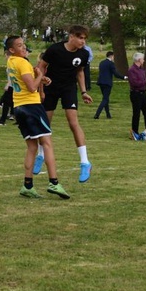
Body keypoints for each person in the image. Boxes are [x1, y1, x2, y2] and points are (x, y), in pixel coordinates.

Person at [6, 36, 70, 199]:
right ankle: (54, 183)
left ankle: (27, 185)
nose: (23, 47)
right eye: (19, 45)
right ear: (12, 50)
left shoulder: (12, 62)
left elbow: (27, 81)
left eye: (24, 44)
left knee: (32, 147)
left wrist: (41, 78)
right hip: (31, 107)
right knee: (47, 144)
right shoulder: (23, 63)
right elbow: (32, 87)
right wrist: (40, 74)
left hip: (19, 107)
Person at [36, 25, 93, 183]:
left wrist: (83, 92)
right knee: (45, 124)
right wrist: (41, 87)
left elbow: (79, 72)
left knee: (73, 122)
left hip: (68, 89)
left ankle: (85, 162)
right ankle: (40, 155)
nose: (83, 41)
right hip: (51, 87)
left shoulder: (84, 53)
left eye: (84, 38)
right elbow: (41, 67)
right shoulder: (55, 49)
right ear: (71, 36)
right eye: (80, 38)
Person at [94, 51, 126, 119]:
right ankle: (97, 114)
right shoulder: (111, 64)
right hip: (107, 83)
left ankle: (108, 114)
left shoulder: (102, 62)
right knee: (105, 99)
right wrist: (124, 77)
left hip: (101, 82)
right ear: (111, 56)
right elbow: (116, 74)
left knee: (106, 99)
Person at [128, 52, 146, 137]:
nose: (144, 60)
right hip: (136, 94)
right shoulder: (132, 70)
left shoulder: (141, 69)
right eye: (142, 59)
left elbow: (141, 82)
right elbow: (135, 83)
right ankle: (134, 132)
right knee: (136, 114)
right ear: (139, 60)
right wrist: (145, 81)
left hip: (143, 93)